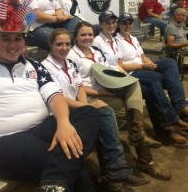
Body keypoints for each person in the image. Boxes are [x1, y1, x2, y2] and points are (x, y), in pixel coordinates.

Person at [0, 0, 102, 192]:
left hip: (42, 128)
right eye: (5, 39)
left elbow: (55, 95)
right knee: (74, 165)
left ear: (24, 42)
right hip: (5, 142)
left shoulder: (34, 66)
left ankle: (50, 190)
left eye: (18, 38)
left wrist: (64, 123)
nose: (12, 44)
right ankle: (53, 188)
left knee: (90, 113)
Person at [42, 28, 150, 192]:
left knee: (106, 112)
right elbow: (58, 98)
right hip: (61, 112)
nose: (64, 48)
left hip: (77, 107)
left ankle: (117, 173)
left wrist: (85, 107)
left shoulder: (69, 64)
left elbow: (79, 87)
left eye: (67, 44)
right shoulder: (45, 68)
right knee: (105, 113)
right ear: (50, 45)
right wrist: (86, 108)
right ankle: (116, 174)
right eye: (59, 44)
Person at [67, 21, 171, 181]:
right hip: (92, 95)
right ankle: (145, 159)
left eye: (89, 34)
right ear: (75, 37)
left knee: (133, 84)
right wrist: (103, 92)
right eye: (83, 35)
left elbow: (108, 71)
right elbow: (77, 86)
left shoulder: (96, 51)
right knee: (133, 112)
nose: (87, 37)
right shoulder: (72, 56)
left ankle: (137, 134)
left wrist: (117, 84)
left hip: (107, 89)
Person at [116, 12, 188, 145]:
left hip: (143, 66)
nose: (127, 26)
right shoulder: (116, 41)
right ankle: (171, 121)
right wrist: (142, 65)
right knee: (155, 80)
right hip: (133, 72)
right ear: (119, 25)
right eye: (124, 23)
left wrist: (147, 61)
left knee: (169, 63)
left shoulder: (133, 38)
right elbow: (121, 65)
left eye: (129, 23)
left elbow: (142, 55)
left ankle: (180, 105)